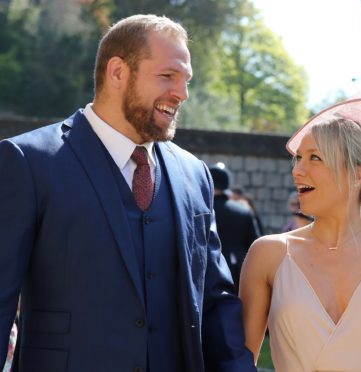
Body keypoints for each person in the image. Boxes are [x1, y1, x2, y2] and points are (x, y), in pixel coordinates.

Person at [0, 15, 255, 372]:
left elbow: (213, 300)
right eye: (168, 76)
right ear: (117, 72)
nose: (182, 93)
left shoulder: (194, 175)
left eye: (186, 80)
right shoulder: (29, 162)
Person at [240, 85, 361, 371]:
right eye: (299, 158)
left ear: (357, 174)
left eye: (315, 158)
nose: (297, 170)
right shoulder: (267, 254)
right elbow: (240, 361)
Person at [209, 162, 260, 290]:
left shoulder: (200, 210)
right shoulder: (243, 211)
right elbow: (254, 245)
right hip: (238, 271)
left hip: (206, 270)